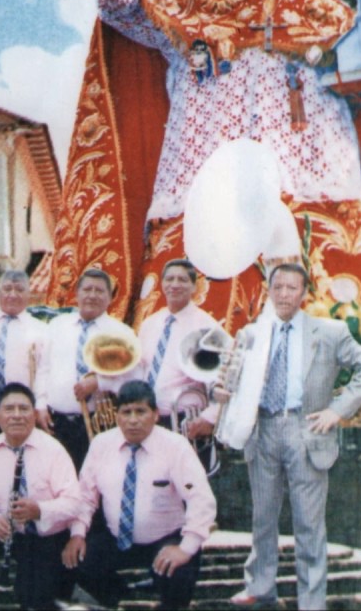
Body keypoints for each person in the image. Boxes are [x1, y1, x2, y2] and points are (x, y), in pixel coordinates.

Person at [49, 0, 361, 326]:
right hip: (204, 195)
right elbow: (121, 8)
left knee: (338, 327)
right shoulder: (197, 7)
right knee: (181, 333)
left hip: (316, 194)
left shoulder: (336, 13)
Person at [228, 263, 361, 609]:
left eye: (291, 288)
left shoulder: (329, 332)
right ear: (269, 290)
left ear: (305, 293)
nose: (284, 295)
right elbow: (238, 383)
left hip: (306, 429)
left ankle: (312, 602)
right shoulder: (253, 334)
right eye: (277, 287)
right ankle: (260, 587)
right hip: (263, 428)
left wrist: (336, 411)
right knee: (262, 517)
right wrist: (226, 394)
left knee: (309, 525)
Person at [63, 380, 217, 609]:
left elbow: (201, 499)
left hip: (165, 538)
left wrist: (186, 548)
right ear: (117, 416)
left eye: (141, 411)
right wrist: (77, 534)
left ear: (155, 414)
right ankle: (116, 594)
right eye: (126, 412)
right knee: (75, 561)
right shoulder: (101, 444)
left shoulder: (176, 446)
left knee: (180, 573)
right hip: (116, 538)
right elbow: (86, 496)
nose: (133, 419)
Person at [0, 383, 79, 610]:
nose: (17, 415)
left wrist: (40, 510)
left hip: (43, 537)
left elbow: (74, 502)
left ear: (34, 413)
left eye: (24, 408)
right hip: (6, 531)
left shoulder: (54, 449)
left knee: (32, 600)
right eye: (9, 409)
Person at [35, 269, 141, 470]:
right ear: (77, 293)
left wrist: (100, 382)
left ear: (110, 297)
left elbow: (136, 378)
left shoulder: (122, 332)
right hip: (56, 421)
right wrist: (40, 404)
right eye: (87, 289)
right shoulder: (57, 325)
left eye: (100, 291)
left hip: (100, 423)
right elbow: (43, 367)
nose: (92, 295)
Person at [136, 259, 223, 467]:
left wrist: (210, 418)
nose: (175, 285)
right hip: (150, 421)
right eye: (169, 279)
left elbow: (226, 382)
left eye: (183, 280)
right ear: (163, 284)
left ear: (194, 287)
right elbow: (141, 368)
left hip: (187, 423)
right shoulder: (149, 324)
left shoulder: (207, 327)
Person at [0, 270, 46, 457]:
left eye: (19, 289)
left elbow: (44, 370)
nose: (12, 294)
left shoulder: (41, 329)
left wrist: (41, 404)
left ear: (29, 295)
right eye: (7, 289)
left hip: (20, 411)